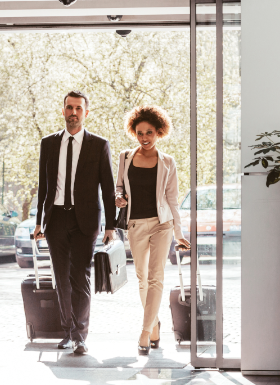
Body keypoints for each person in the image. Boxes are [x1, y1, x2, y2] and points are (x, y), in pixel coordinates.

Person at [34, 90, 116, 355]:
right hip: (56, 218)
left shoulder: (98, 144)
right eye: (69, 108)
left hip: (85, 220)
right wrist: (38, 222)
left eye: (78, 108)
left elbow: (108, 187)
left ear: (86, 112)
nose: (73, 113)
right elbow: (43, 186)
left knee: (80, 277)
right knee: (61, 278)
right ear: (63, 111)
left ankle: (80, 335)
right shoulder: (48, 143)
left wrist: (111, 226)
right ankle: (67, 332)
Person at [114, 105, 190, 355]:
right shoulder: (125, 157)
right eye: (139, 133)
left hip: (162, 224)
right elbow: (119, 187)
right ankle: (154, 323)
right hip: (135, 225)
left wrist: (179, 233)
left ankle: (145, 332)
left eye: (149, 133)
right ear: (134, 132)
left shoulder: (167, 162)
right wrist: (119, 198)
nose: (144, 138)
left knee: (156, 276)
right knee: (142, 278)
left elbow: (172, 199)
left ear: (159, 132)